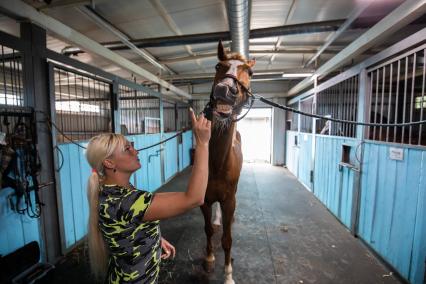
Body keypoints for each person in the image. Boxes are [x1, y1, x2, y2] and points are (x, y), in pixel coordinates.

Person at [85, 108, 211, 283]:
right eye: (127, 149)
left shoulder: (110, 191)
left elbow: (130, 228)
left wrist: (154, 238)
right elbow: (194, 198)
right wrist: (203, 144)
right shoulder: (127, 202)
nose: (135, 152)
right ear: (109, 162)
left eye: (132, 147)